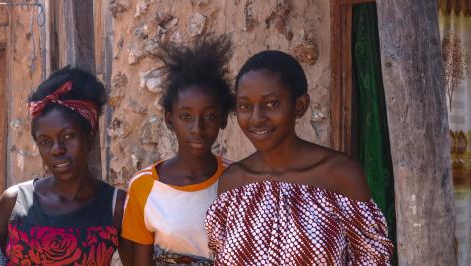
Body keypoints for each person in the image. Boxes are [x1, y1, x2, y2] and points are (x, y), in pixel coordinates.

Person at [205, 50, 394, 265]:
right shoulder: (233, 183)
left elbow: (371, 260)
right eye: (245, 106)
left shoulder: (340, 175)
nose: (256, 118)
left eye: (272, 104)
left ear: (300, 106)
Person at [0, 66, 128, 265]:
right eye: (46, 141)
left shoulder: (115, 206)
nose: (57, 150)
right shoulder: (14, 202)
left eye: (68, 137)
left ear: (89, 139)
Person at [121, 35, 235, 265]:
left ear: (223, 119)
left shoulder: (236, 180)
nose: (197, 128)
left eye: (210, 116)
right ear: (169, 119)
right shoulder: (144, 186)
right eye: (186, 116)